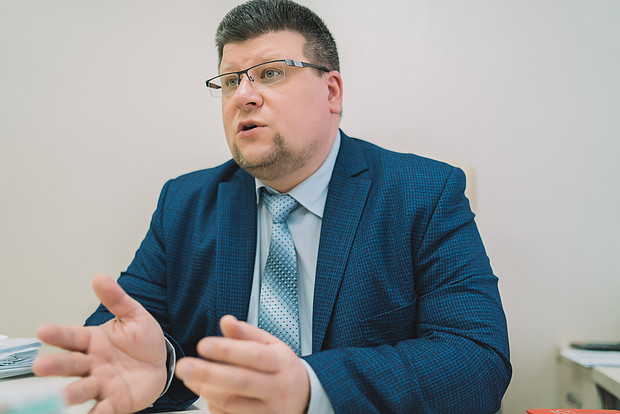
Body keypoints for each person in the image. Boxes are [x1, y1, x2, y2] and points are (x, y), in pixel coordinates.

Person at [33, 0, 511, 413]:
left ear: (331, 92)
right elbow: (126, 343)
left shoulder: (422, 192)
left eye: (270, 73)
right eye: (229, 81)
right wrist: (162, 368)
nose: (243, 96)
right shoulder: (184, 203)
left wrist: (310, 387)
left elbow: (477, 359)